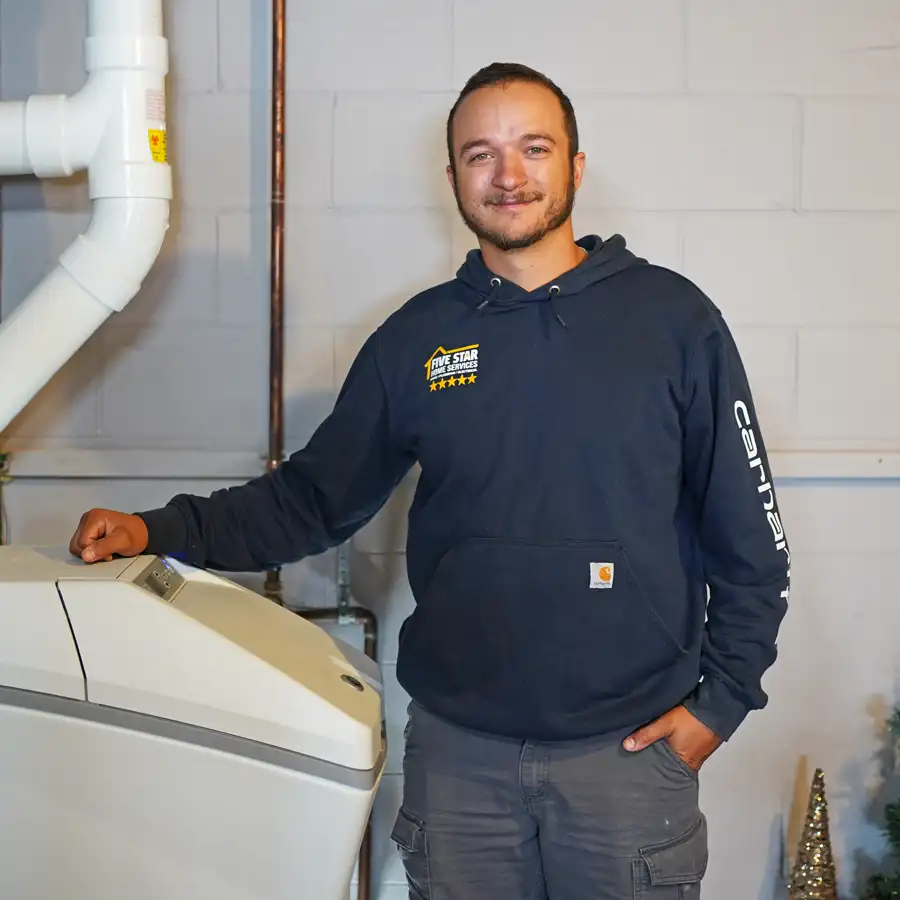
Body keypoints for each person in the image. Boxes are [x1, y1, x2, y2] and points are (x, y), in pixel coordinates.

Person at [70, 62, 791, 899]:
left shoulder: (675, 322)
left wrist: (720, 707)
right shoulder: (417, 340)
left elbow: (752, 538)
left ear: (576, 167)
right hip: (460, 767)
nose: (509, 175)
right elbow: (312, 499)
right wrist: (156, 529)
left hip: (628, 764)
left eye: (534, 148)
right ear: (452, 178)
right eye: (481, 154)